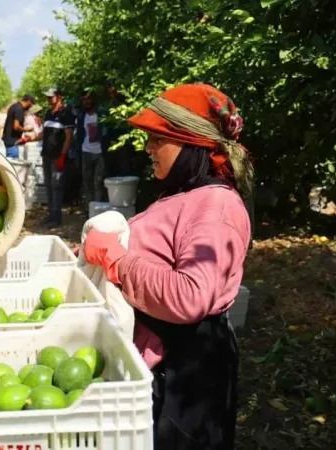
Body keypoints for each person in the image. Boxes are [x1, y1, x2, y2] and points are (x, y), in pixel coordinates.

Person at [81, 83, 254, 449]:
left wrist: (116, 259)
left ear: (193, 142)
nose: (148, 149)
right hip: (167, 364)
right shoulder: (185, 195)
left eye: (158, 139)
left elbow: (191, 295)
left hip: (186, 373)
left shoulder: (216, 207)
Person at [36, 88, 75, 227]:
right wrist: (28, 139)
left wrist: (63, 156)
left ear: (59, 97)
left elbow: (69, 137)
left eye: (51, 97)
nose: (48, 99)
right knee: (49, 186)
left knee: (56, 186)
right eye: (47, 97)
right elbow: (42, 134)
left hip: (57, 156)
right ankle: (50, 215)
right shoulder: (48, 114)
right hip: (46, 155)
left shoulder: (66, 114)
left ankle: (56, 219)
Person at [76, 91, 107, 212]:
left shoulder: (101, 114)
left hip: (100, 153)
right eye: (83, 99)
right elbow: (79, 135)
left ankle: (98, 210)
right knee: (87, 182)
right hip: (85, 152)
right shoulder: (81, 116)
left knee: (98, 182)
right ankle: (89, 210)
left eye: (88, 99)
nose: (86, 102)